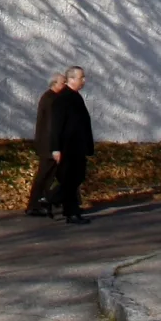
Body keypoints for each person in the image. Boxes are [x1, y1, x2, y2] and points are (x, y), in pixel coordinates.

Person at [51, 65, 94, 224]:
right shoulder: (63, 98)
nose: (83, 80)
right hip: (67, 147)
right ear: (71, 79)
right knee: (70, 179)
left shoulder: (75, 96)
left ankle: (53, 201)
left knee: (77, 177)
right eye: (81, 77)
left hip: (77, 146)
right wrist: (56, 148)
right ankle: (70, 212)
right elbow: (56, 125)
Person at [24, 74, 67, 216]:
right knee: (44, 175)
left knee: (49, 176)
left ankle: (44, 202)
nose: (65, 85)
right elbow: (52, 125)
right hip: (49, 146)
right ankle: (34, 205)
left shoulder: (50, 98)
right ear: (54, 84)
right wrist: (56, 147)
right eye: (63, 82)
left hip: (48, 145)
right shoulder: (51, 100)